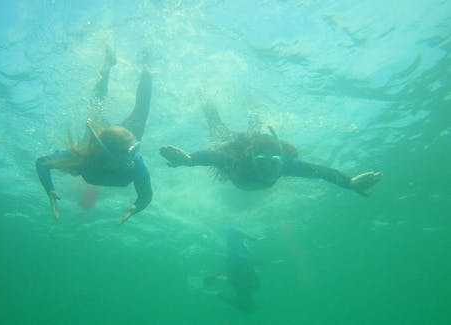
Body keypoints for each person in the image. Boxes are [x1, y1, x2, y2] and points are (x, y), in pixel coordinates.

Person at [36, 47, 152, 224]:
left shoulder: (133, 161)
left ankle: (146, 66)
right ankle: (108, 64)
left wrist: (138, 205)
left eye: (136, 147)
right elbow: (43, 163)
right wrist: (49, 189)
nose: (136, 153)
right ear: (111, 155)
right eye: (132, 150)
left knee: (141, 109)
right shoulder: (85, 156)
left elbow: (146, 196)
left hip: (118, 141)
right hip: (105, 143)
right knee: (97, 106)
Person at [159, 103, 382, 194]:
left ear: (281, 161)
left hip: (252, 150)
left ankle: (255, 118)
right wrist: (189, 160)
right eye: (261, 162)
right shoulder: (237, 162)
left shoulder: (286, 166)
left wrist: (349, 183)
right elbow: (214, 155)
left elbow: (322, 172)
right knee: (219, 132)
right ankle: (207, 104)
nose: (267, 169)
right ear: (251, 158)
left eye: (273, 163)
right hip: (236, 148)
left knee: (255, 132)